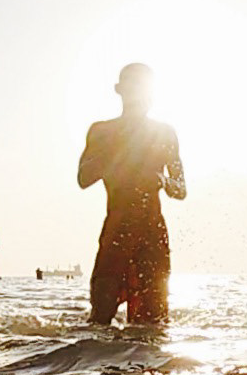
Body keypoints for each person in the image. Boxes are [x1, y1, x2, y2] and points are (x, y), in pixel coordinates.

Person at [78, 63, 186, 324]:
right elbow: (83, 179)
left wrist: (161, 179)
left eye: (143, 89)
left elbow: (180, 188)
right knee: (101, 315)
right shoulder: (102, 131)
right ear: (120, 90)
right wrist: (117, 152)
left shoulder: (164, 132)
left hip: (152, 232)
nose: (139, 95)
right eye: (132, 87)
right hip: (116, 230)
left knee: (154, 319)